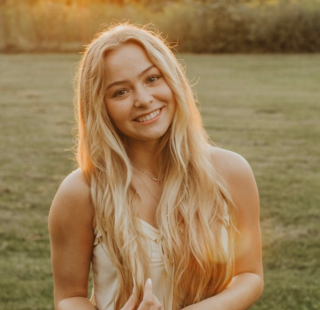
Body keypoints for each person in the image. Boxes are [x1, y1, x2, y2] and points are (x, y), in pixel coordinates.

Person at [48, 23, 263, 310]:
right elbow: (69, 296)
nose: (144, 100)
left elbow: (248, 275)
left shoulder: (231, 171)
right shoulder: (81, 192)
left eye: (151, 79)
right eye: (120, 92)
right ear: (101, 106)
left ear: (173, 79)